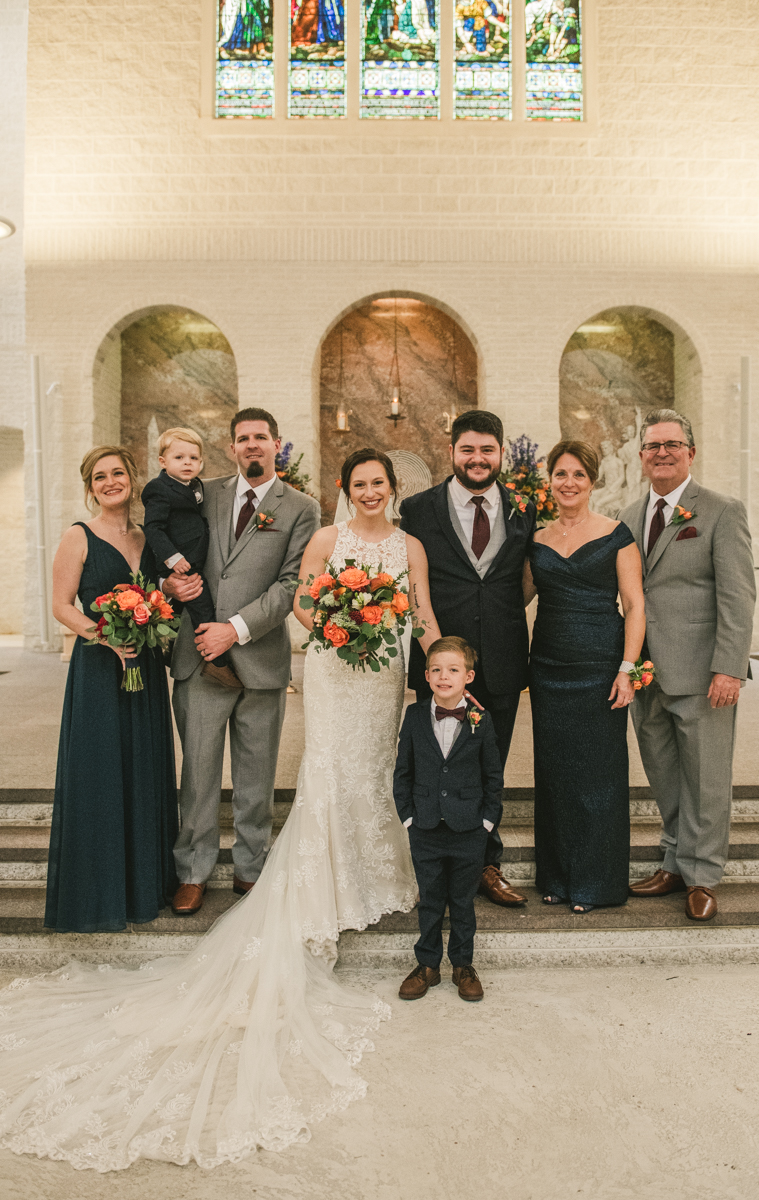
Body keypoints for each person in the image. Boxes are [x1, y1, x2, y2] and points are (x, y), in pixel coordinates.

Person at [0, 447, 442, 1172]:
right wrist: (324, 625)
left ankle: (344, 871)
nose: (369, 491)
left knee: (361, 772)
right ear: (345, 488)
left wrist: (437, 656)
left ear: (393, 490)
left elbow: (405, 605)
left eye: (379, 484)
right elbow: (299, 593)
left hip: (376, 665)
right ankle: (200, 869)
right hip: (289, 657)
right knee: (229, 776)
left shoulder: (363, 530)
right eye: (359, 482)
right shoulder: (199, 499)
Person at [163, 407, 320, 914]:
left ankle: (251, 868)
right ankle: (193, 869)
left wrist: (236, 628)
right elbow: (167, 542)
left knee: (256, 777)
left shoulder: (301, 508)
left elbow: (294, 582)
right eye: (242, 438)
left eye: (260, 437)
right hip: (199, 653)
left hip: (259, 659)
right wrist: (169, 582)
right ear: (231, 447)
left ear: (277, 443)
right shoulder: (202, 494)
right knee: (199, 773)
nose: (251, 445)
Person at [620, 408, 756, 921]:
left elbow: (739, 596)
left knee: (706, 777)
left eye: (672, 444)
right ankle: (674, 860)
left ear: (690, 453)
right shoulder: (629, 515)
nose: (662, 453)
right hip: (646, 672)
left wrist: (729, 667)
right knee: (665, 773)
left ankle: (702, 876)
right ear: (641, 457)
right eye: (653, 446)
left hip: (703, 672)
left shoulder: (721, 511)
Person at [399, 409, 536, 908]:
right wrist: (440, 659)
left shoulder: (523, 508)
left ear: (501, 452)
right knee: (435, 765)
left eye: (487, 450)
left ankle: (486, 864)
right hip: (439, 665)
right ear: (452, 452)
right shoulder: (417, 509)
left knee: (488, 767)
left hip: (501, 660)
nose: (478, 459)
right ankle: (433, 862)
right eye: (468, 449)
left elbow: (523, 581)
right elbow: (413, 589)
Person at [45, 445, 178, 933]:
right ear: (90, 487)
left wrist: (159, 614)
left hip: (142, 672)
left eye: (117, 473)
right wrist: (105, 635)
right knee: (101, 772)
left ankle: (144, 884)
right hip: (100, 672)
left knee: (142, 768)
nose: (109, 482)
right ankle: (100, 892)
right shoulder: (77, 537)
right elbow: (61, 605)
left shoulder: (148, 538)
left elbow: (161, 596)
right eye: (99, 477)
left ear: (132, 478)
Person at [529, 440, 644, 913]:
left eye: (578, 474)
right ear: (549, 481)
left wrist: (627, 669)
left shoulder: (617, 534)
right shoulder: (535, 539)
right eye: (560, 474)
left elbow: (635, 606)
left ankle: (596, 883)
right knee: (554, 774)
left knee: (599, 776)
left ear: (592, 481)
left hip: (600, 668)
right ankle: (555, 876)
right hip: (549, 668)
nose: (569, 483)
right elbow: (515, 602)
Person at [394, 637, 503, 1003]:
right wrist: (408, 818)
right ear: (425, 676)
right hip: (424, 826)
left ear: (468, 676)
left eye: (453, 670)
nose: (444, 676)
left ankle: (462, 964)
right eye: (437, 670)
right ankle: (427, 965)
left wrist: (486, 823)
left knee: (462, 900)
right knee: (429, 900)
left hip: (468, 828)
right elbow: (403, 772)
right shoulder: (413, 716)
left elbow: (493, 776)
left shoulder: (481, 719)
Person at [142, 426, 241, 690]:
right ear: (162, 462)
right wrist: (172, 559)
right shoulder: (159, 489)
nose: (187, 462)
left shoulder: (195, 486)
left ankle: (167, 648)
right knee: (203, 610)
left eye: (193, 458)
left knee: (176, 611)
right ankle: (216, 663)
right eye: (179, 457)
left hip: (195, 561)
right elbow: (153, 528)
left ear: (201, 462)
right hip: (181, 566)